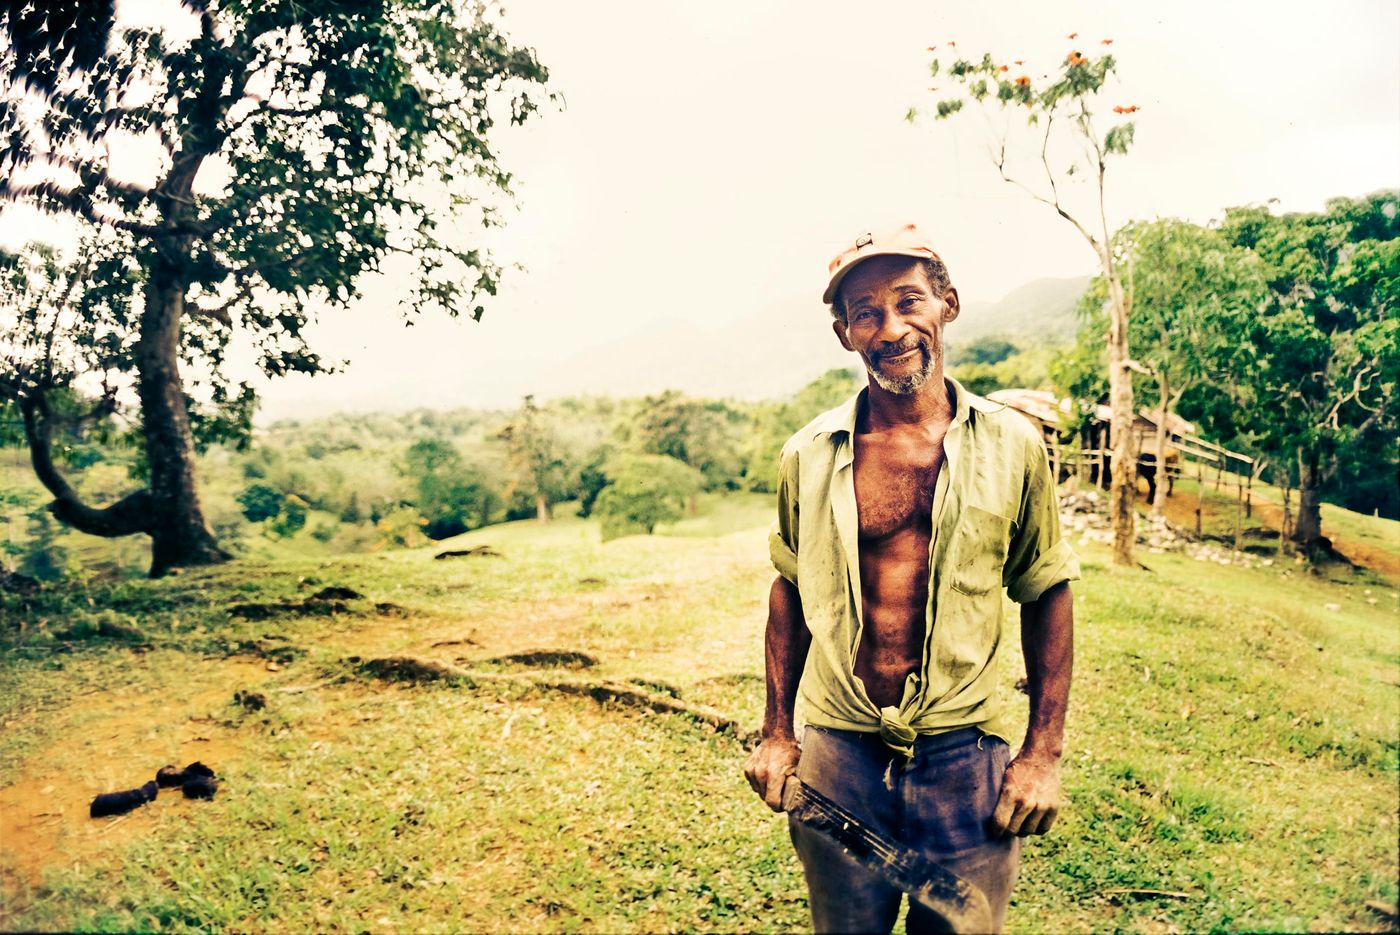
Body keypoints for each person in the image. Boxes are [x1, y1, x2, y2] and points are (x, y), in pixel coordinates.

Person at [742, 224, 1079, 933]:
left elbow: (1046, 586)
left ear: (946, 302)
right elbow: (789, 586)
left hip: (967, 763)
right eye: (866, 311)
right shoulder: (808, 454)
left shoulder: (1013, 445)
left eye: (908, 300)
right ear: (844, 332)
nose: (890, 327)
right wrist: (777, 730)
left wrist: (1042, 752)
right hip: (840, 758)